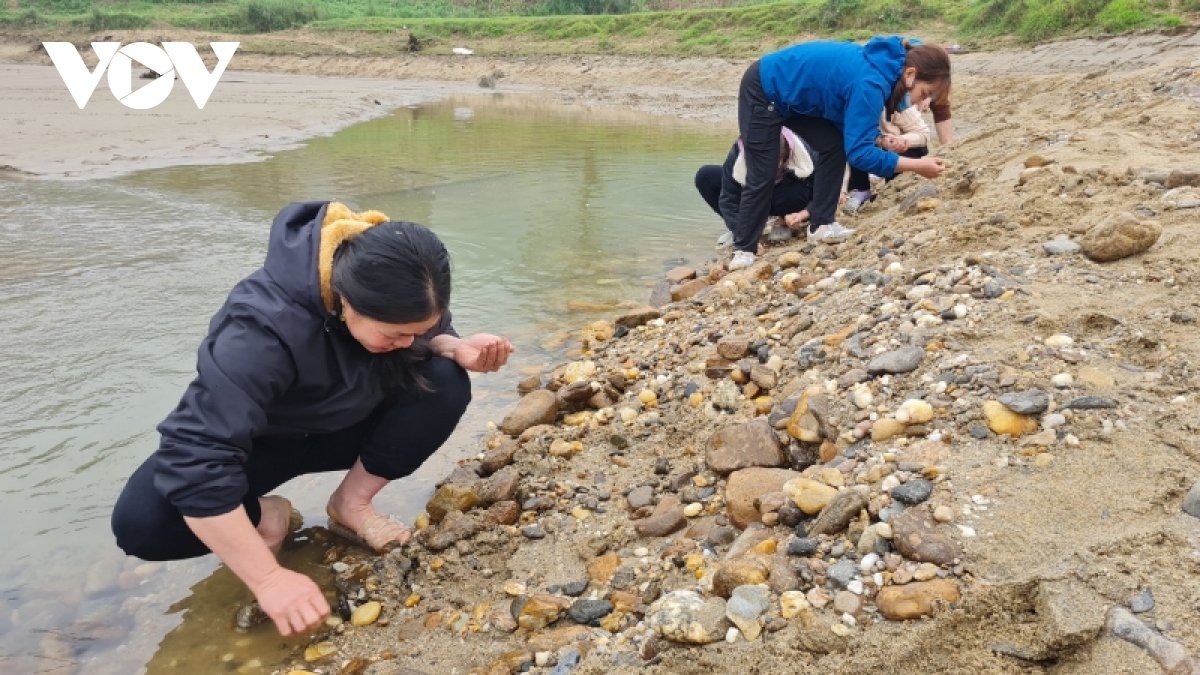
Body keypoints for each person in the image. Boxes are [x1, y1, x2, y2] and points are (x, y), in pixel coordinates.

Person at [111, 201, 514, 638]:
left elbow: (424, 339)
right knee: (143, 524)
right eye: (396, 333)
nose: (410, 341)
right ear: (347, 300)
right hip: (263, 443)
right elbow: (193, 458)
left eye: (421, 328)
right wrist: (267, 578)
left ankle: (351, 504)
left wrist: (452, 347)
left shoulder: (401, 284)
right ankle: (267, 515)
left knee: (445, 380)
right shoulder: (259, 328)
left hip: (345, 426)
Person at [727, 36, 951, 270]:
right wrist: (917, 165)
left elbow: (854, 128)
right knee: (763, 171)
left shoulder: (885, 68)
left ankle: (821, 225)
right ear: (910, 75)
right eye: (924, 93)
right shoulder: (872, 82)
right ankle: (744, 250)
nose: (921, 103)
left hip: (797, 99)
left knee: (834, 143)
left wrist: (879, 138)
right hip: (764, 88)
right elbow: (860, 155)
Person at [695, 127, 817, 255]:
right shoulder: (740, 152)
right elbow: (728, 199)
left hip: (787, 192)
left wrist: (805, 213)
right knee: (706, 176)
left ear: (786, 155)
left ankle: (783, 220)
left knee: (798, 192)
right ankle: (744, 226)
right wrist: (744, 236)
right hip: (754, 192)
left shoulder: (803, 149)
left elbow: (826, 191)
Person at [843, 91, 936, 213]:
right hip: (868, 151)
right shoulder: (851, 107)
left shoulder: (897, 101)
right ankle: (862, 190)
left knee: (896, 168)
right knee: (855, 146)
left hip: (899, 149)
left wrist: (901, 140)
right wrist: (842, 189)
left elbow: (923, 134)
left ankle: (890, 186)